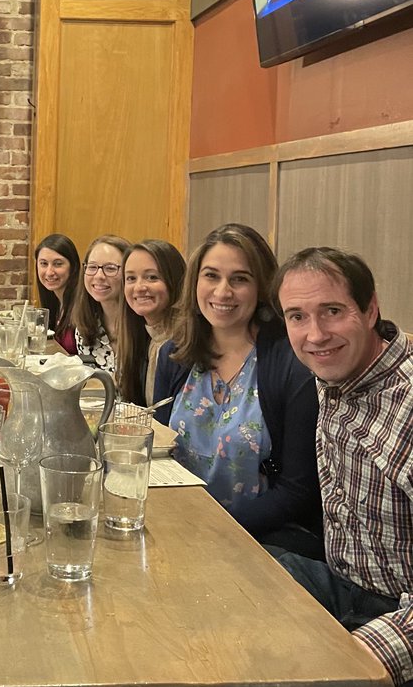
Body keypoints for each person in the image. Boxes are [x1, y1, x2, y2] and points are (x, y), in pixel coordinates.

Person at [222, 247, 413, 687]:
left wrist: (377, 651)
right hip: (354, 590)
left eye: (332, 311)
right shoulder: (339, 377)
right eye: (298, 317)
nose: (315, 334)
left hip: (401, 622)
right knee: (218, 584)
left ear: (371, 309)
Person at [155, 223, 321, 552]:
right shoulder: (173, 355)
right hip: (177, 531)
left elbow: (298, 492)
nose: (222, 292)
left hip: (261, 541)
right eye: (211, 276)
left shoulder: (292, 365)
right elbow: (160, 456)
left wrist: (214, 528)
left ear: (261, 287)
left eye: (240, 279)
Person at [117, 240, 185, 406]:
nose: (139, 287)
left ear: (175, 281)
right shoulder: (141, 334)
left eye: (152, 277)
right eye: (131, 278)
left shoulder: (183, 344)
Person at [72, 234, 130, 372]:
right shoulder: (84, 326)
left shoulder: (143, 327)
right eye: (92, 267)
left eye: (110, 268)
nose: (99, 276)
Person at [35, 234, 81, 355]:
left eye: (58, 264)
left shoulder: (82, 305)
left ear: (73, 266)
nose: (49, 272)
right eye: (44, 264)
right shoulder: (54, 301)